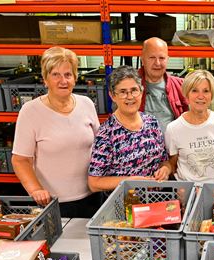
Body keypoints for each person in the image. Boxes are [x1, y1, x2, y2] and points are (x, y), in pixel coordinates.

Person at [12, 46, 101, 218]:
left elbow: (100, 147)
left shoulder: (86, 104)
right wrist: (36, 190)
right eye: (55, 75)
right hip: (54, 202)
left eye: (68, 75)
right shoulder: (30, 111)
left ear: (75, 78)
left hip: (93, 196)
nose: (63, 81)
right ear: (45, 79)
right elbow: (20, 160)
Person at [88, 66, 171, 192]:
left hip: (156, 201)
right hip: (124, 204)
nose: (130, 96)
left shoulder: (151, 122)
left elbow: (163, 161)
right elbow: (94, 183)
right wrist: (130, 181)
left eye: (134, 90)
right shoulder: (106, 134)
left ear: (141, 92)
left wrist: (165, 169)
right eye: (122, 92)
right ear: (112, 95)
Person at [165, 70, 214, 183]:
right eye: (194, 91)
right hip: (187, 194)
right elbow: (172, 164)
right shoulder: (173, 128)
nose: (201, 96)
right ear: (186, 95)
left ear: (211, 95)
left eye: (206, 91)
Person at [138, 37, 188, 133]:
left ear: (167, 59)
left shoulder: (181, 86)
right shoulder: (131, 87)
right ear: (143, 59)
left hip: (172, 146)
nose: (157, 63)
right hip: (141, 147)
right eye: (152, 58)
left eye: (162, 58)